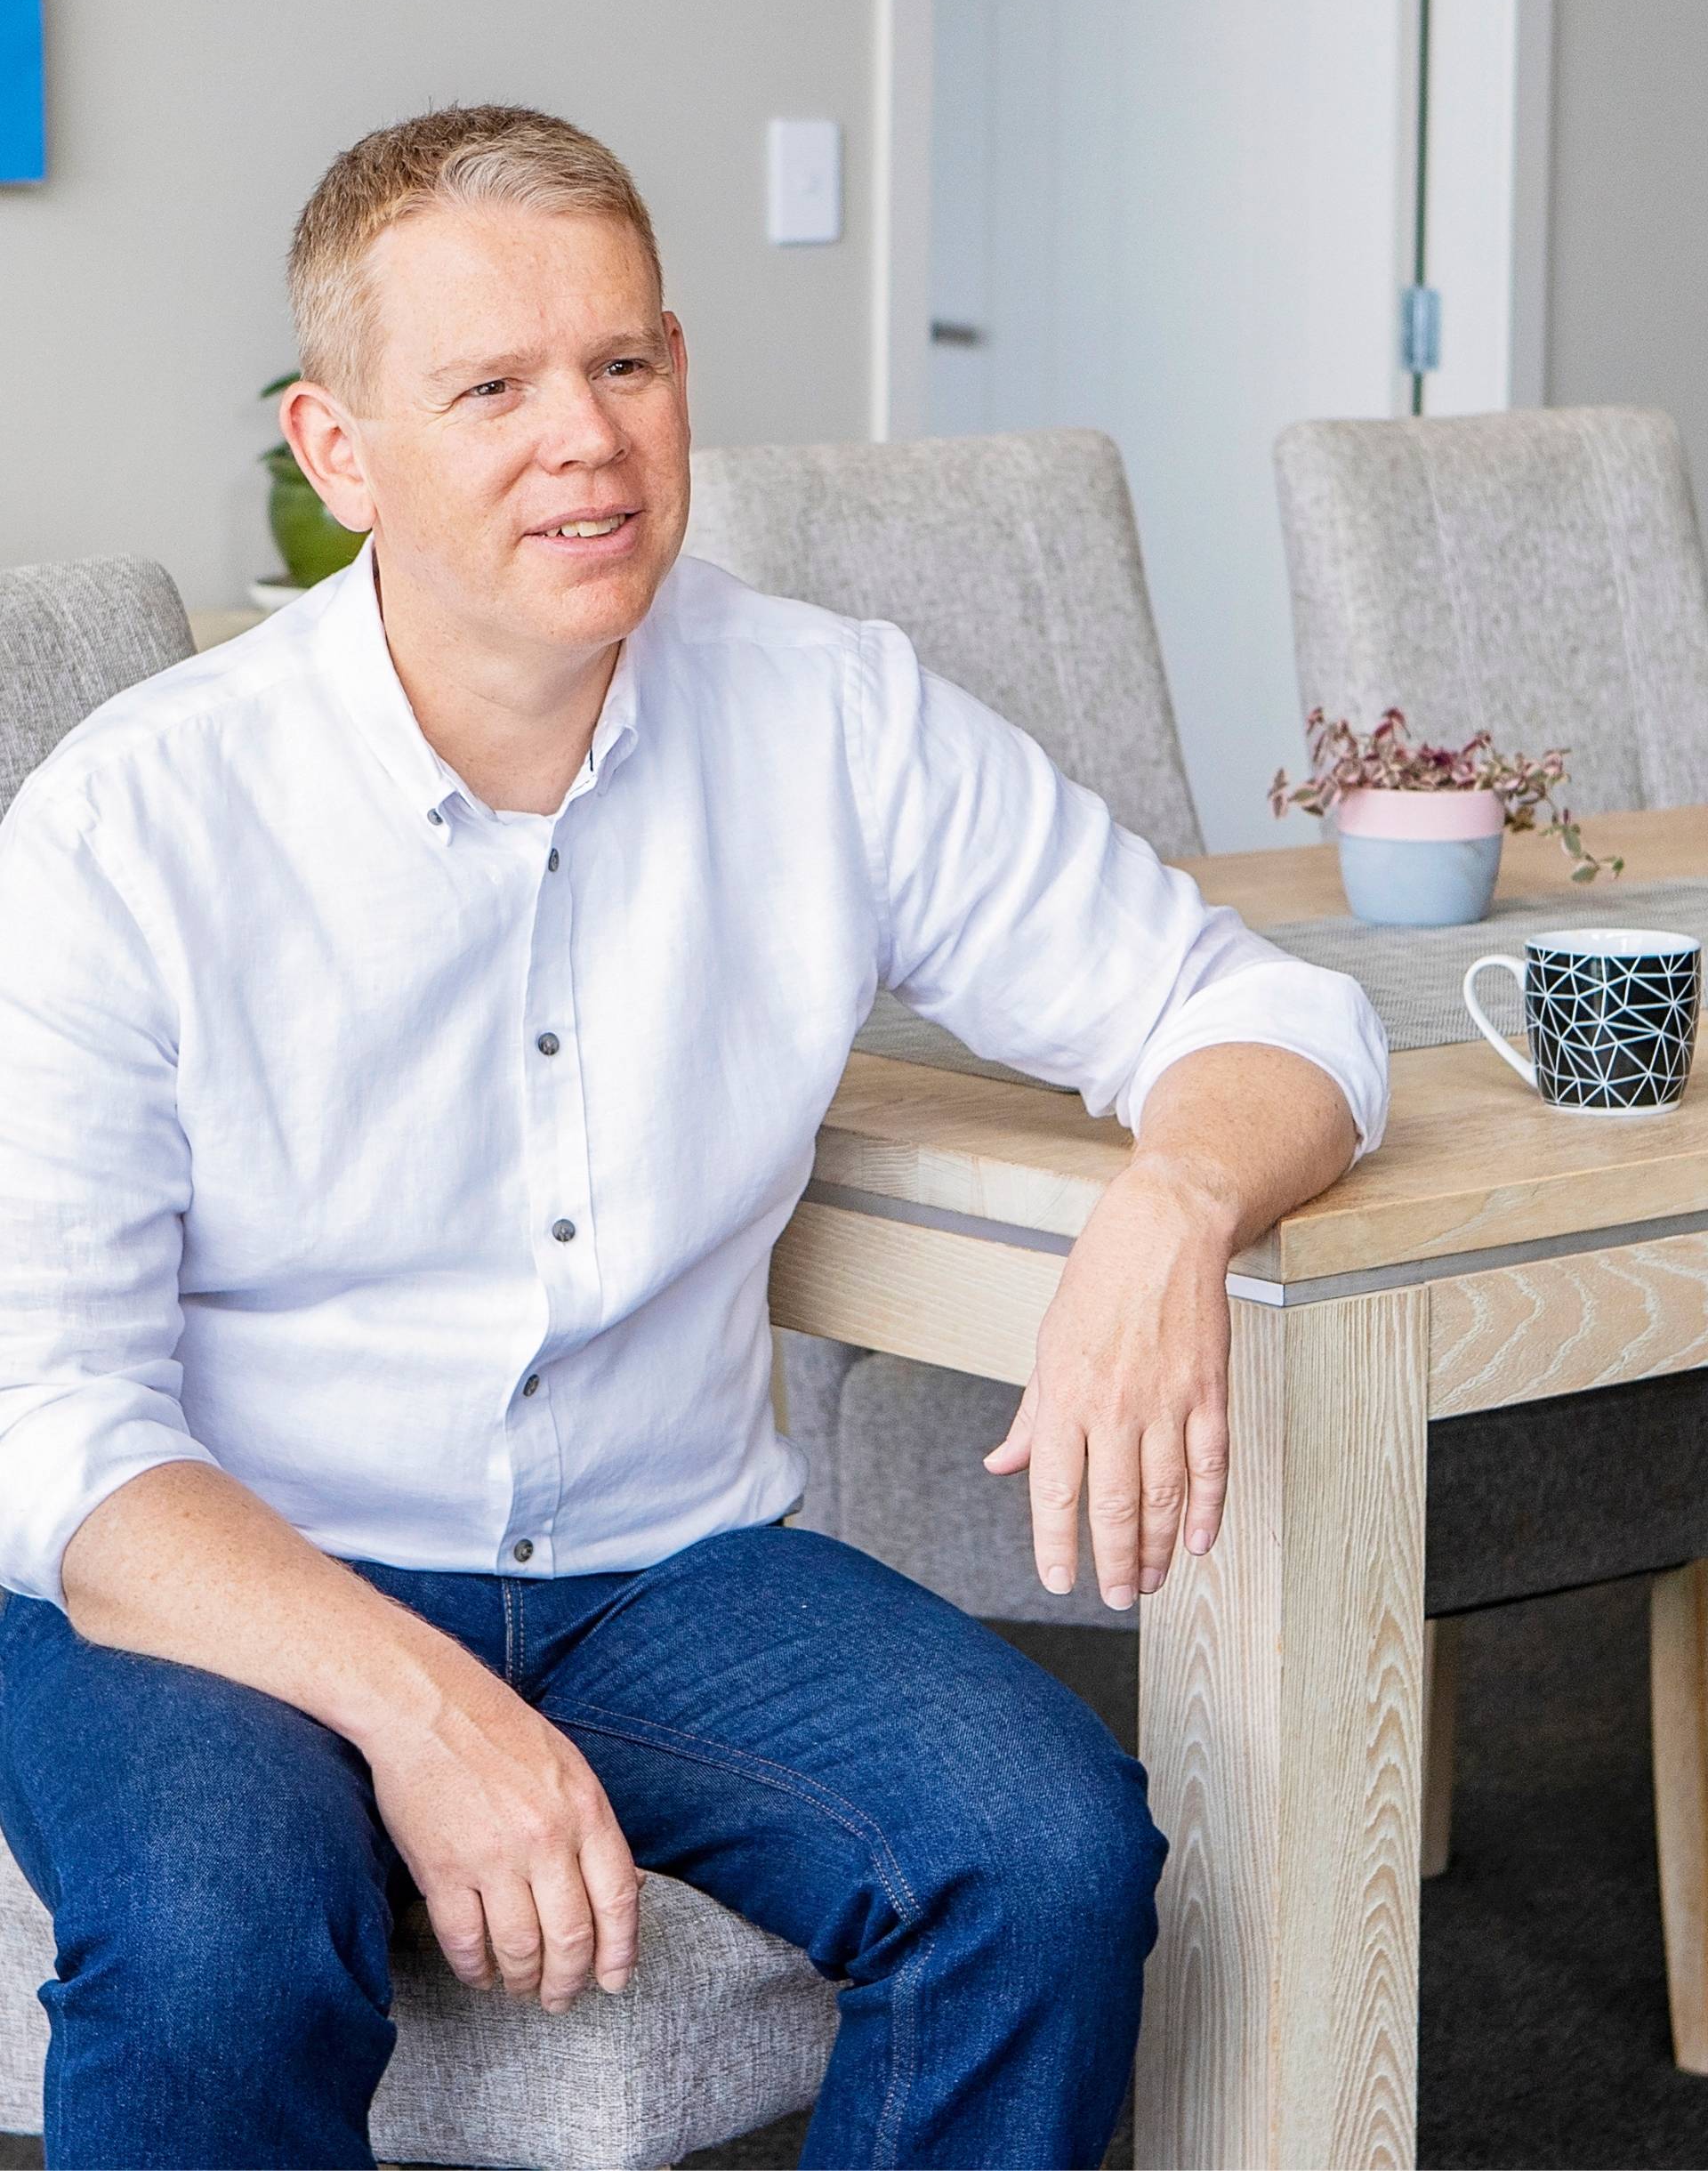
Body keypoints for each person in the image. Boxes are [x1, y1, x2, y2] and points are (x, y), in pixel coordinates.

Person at [0, 104, 1389, 2170]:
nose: (589, 436)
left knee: (1044, 1848)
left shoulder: (835, 713)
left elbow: (1275, 1010)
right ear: (338, 453)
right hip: (232, 1562)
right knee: (221, 1930)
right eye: (492, 385)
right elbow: (52, 1428)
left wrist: (1174, 1199)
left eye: (627, 364)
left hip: (664, 1561)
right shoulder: (134, 823)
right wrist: (424, 1703)